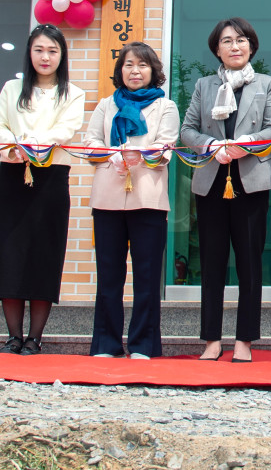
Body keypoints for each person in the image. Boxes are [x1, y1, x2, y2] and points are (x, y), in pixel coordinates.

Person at [178, 18, 271, 363]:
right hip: (211, 181)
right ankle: (211, 339)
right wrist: (210, 145)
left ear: (251, 46)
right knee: (212, 262)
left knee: (250, 262)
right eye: (227, 41)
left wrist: (245, 144)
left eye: (241, 40)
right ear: (216, 49)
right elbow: (187, 130)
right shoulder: (204, 85)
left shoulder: (267, 83)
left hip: (250, 182)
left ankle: (245, 341)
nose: (234, 46)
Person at [0, 24, 87, 355]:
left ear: (62, 55)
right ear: (29, 53)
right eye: (39, 50)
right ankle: (13, 336)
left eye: (53, 51)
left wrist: (38, 143)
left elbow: (67, 128)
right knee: (10, 254)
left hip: (51, 177)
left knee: (45, 255)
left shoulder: (73, 92)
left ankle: (35, 338)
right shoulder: (12, 87)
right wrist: (12, 147)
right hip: (13, 174)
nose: (46, 57)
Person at [85, 42, 180, 359]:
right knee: (109, 275)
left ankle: (143, 345)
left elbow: (166, 145)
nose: (134, 70)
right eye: (128, 65)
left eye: (142, 65)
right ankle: (105, 344)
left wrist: (142, 157)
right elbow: (91, 143)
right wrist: (111, 156)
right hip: (107, 197)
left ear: (153, 71)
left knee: (148, 276)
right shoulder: (105, 105)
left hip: (148, 198)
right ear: (119, 70)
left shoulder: (166, 107)